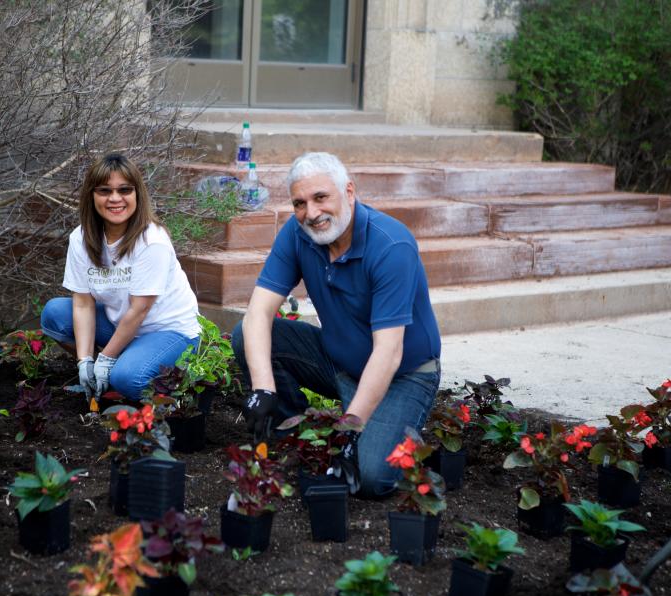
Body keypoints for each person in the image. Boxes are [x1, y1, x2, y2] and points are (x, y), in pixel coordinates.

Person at [232, 152, 441, 497]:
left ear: (349, 192)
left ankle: (384, 427)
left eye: (320, 198)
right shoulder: (297, 235)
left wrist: (350, 429)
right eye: (300, 203)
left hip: (403, 375)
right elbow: (257, 313)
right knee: (246, 335)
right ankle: (290, 431)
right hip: (338, 362)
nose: (311, 213)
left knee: (370, 478)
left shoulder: (391, 245)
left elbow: (388, 353)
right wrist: (263, 389)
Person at [41, 153, 200, 400]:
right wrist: (85, 360)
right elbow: (82, 304)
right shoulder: (80, 239)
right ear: (92, 196)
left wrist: (106, 358)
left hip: (170, 331)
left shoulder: (152, 241)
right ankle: (106, 373)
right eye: (105, 191)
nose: (115, 198)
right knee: (55, 314)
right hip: (123, 326)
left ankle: (133, 371)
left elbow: (139, 310)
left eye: (124, 190)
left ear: (137, 194)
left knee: (129, 379)